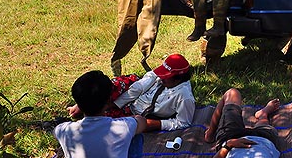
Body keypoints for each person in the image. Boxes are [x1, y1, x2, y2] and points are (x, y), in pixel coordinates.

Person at [67, 54, 196, 131]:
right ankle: (82, 104)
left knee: (108, 124)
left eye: (165, 76)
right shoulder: (160, 76)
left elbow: (183, 122)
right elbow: (138, 87)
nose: (161, 78)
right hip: (132, 89)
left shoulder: (184, 97)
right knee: (110, 85)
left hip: (136, 111)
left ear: (178, 79)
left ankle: (86, 114)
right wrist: (117, 103)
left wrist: (156, 125)